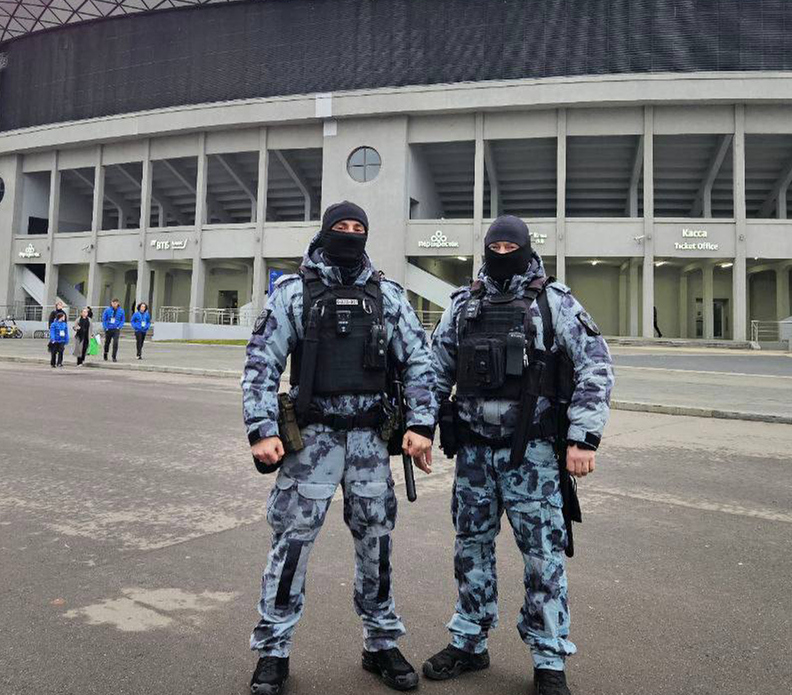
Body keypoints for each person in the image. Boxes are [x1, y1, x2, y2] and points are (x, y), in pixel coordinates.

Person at [244, 201, 436, 695]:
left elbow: (419, 362)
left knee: (377, 544)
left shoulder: (387, 296)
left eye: (357, 228)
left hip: (371, 442)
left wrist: (421, 424)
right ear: (325, 232)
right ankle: (273, 651)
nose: (350, 234)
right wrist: (261, 429)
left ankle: (381, 643)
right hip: (310, 442)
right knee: (291, 546)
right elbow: (261, 363)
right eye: (341, 227)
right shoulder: (294, 293)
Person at [420, 215, 614, 695]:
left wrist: (583, 437)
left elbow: (596, 366)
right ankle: (469, 641)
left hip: (534, 456)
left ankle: (549, 659)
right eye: (496, 246)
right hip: (473, 457)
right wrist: (421, 427)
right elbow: (434, 370)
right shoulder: (463, 305)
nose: (503, 254)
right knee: (470, 548)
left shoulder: (554, 302)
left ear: (526, 249)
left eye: (512, 246)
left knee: (543, 557)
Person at [102, 297, 125, 362]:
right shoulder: (107, 310)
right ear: (111, 303)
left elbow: (122, 320)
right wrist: (105, 327)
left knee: (115, 342)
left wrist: (119, 326)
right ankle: (105, 353)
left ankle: (114, 356)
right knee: (107, 342)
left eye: (116, 303)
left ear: (118, 303)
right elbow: (104, 319)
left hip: (116, 329)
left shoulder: (121, 311)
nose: (114, 304)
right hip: (108, 328)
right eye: (113, 303)